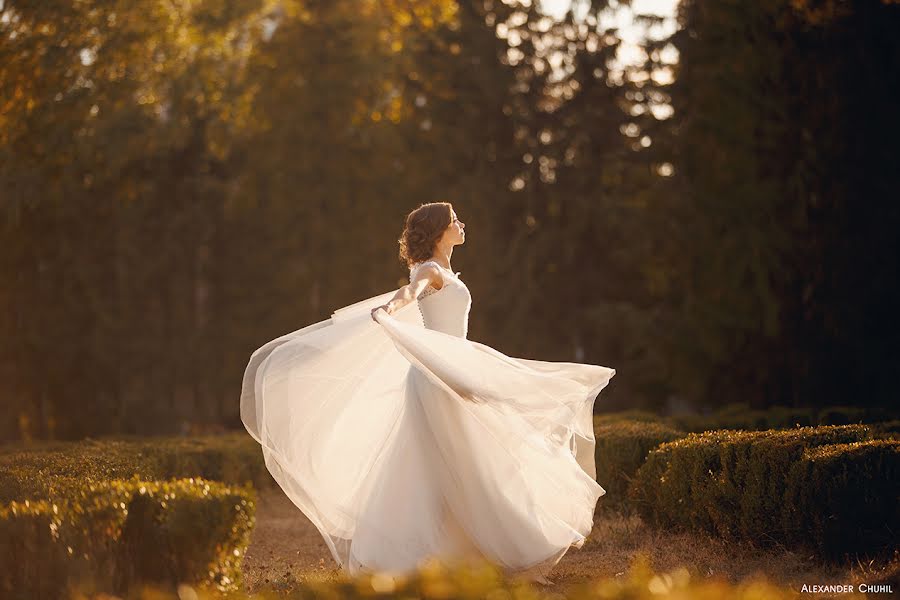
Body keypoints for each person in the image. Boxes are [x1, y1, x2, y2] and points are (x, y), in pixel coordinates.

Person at [240, 202, 616, 585]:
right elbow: (411, 291)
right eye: (455, 221)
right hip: (436, 377)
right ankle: (437, 556)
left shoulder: (445, 271)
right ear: (440, 231)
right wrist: (390, 306)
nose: (461, 224)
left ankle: (474, 551)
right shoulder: (431, 271)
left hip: (455, 369)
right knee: (452, 461)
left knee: (470, 459)